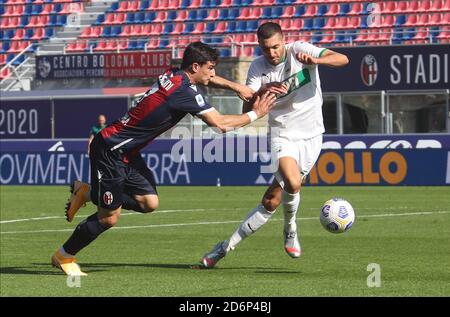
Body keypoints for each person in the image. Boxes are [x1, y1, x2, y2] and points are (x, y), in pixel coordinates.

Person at [52, 41, 276, 276]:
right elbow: (219, 124)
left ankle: (87, 192)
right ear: (195, 66)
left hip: (127, 151)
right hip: (110, 150)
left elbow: (208, 80)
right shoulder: (184, 92)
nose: (213, 73)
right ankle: (64, 255)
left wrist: (235, 86)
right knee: (109, 218)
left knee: (149, 203)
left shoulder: (174, 74)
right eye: (210, 68)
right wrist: (256, 114)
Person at [200, 22, 349, 268]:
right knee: (293, 182)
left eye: (276, 47)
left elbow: (342, 59)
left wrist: (316, 62)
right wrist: (261, 91)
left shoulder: (300, 50)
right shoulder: (258, 67)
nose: (272, 53)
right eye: (266, 48)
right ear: (260, 47)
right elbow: (246, 109)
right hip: (282, 134)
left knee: (271, 201)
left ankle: (223, 248)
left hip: (312, 135)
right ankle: (290, 229)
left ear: (284, 41)